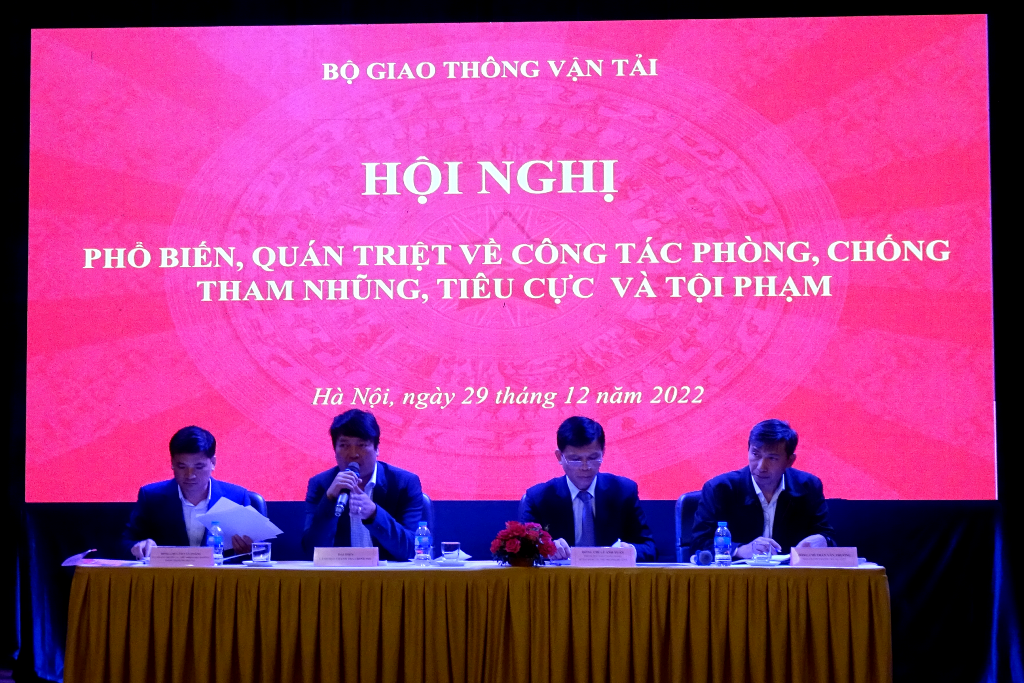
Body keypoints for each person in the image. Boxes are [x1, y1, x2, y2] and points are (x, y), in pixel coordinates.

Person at [690, 419, 834, 559]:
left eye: (772, 458)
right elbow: (699, 543)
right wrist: (739, 550)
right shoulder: (720, 489)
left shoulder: (808, 487)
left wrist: (823, 540)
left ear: (790, 461)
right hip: (738, 574)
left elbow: (827, 536)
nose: (761, 467)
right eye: (755, 454)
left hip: (790, 573)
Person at [519, 416, 656, 562]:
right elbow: (523, 552)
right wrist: (546, 551)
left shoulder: (623, 491)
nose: (585, 467)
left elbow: (649, 548)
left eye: (593, 457)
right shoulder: (539, 498)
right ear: (559, 457)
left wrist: (630, 551)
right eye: (575, 459)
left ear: (603, 452)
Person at [301, 409, 423, 561]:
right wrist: (329, 500)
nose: (353, 454)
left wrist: (374, 514)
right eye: (344, 445)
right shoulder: (322, 484)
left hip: (389, 574)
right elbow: (312, 552)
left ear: (377, 449)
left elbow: (412, 550)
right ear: (334, 450)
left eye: (361, 445)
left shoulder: (403, 483)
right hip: (340, 573)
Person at [123, 426, 256, 559]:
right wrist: (138, 546)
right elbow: (125, 543)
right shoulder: (151, 497)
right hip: (169, 572)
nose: (190, 475)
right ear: (172, 463)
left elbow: (259, 548)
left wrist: (250, 550)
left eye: (199, 467)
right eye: (182, 467)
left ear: (213, 463)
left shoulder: (236, 497)